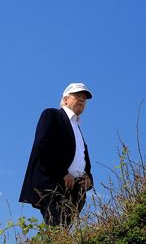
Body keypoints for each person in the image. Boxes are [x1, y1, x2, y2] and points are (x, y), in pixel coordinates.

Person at [19, 83, 94, 227]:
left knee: (63, 230)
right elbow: (43, 145)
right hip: (55, 184)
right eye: (77, 96)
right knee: (56, 228)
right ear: (65, 100)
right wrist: (62, 173)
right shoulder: (52, 115)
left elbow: (82, 156)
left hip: (74, 190)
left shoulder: (77, 127)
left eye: (84, 98)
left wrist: (88, 178)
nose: (82, 100)